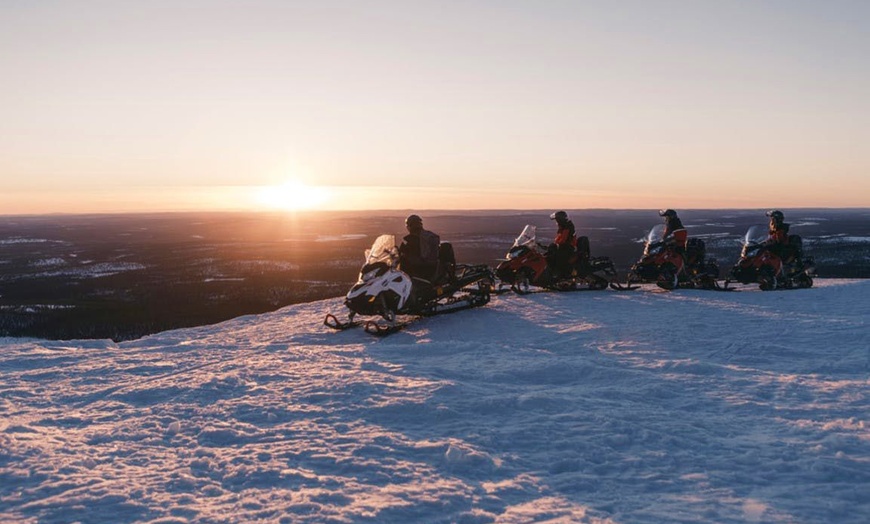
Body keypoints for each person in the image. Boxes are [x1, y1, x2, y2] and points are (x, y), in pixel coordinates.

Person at [398, 214, 440, 281]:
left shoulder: (408, 239)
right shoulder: (430, 236)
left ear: (409, 226)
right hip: (432, 269)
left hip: (417, 271)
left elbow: (401, 254)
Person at [548, 211, 578, 279]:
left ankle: (562, 275)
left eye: (557, 220)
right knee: (549, 255)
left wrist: (556, 244)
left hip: (567, 247)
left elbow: (563, 239)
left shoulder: (567, 227)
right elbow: (559, 239)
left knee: (559, 259)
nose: (556, 222)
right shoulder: (564, 226)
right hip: (564, 246)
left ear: (560, 220)